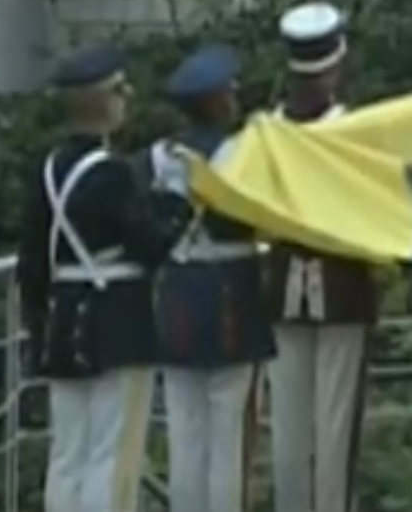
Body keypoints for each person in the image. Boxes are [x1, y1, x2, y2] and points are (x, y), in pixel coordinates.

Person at [14, 46, 187, 512]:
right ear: (108, 100)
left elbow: (31, 259)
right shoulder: (114, 174)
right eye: (121, 90)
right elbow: (151, 246)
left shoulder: (47, 169)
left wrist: (37, 325)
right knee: (113, 455)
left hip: (63, 318)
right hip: (117, 320)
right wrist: (176, 199)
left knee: (68, 454)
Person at [150, 45, 275, 512]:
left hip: (179, 291)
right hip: (233, 294)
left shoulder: (161, 158)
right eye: (230, 89)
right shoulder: (244, 154)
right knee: (231, 439)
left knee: (185, 436)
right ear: (218, 101)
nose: (236, 94)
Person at [266, 1, 380, 512]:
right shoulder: (351, 129)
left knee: (289, 424)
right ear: (335, 62)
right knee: (336, 425)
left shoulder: (267, 129)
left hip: (280, 283)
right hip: (341, 282)